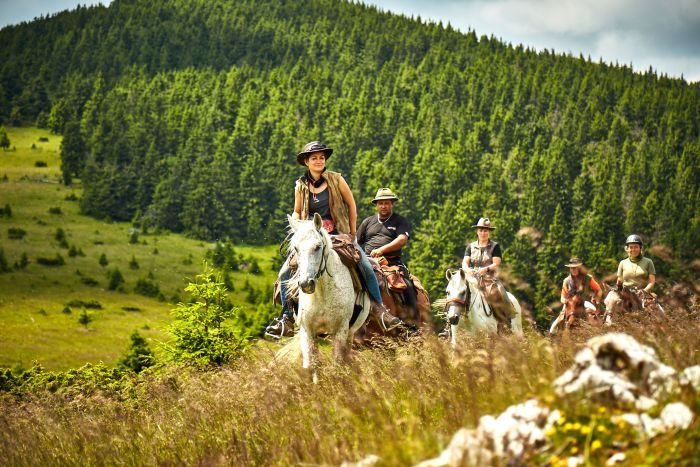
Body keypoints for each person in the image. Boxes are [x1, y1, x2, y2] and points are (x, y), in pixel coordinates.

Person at [265, 141, 402, 338]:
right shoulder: (300, 186)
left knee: (365, 264)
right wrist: (298, 224)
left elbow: (351, 204)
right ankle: (286, 317)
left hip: (340, 235)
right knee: (286, 270)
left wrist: (353, 231)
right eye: (314, 158)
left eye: (322, 157)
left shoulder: (337, 180)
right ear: (306, 162)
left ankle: (380, 310)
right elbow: (296, 211)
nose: (319, 161)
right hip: (312, 239)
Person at [357, 187, 417, 312]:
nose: (383, 206)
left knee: (408, 286)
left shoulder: (399, 221)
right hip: (368, 261)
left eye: (386, 203)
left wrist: (382, 250)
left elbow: (402, 239)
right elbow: (357, 241)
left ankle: (413, 324)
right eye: (381, 203)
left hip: (392, 262)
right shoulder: (367, 222)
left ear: (392, 204)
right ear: (376, 205)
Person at [461, 217, 513, 329]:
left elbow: (496, 263)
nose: (483, 233)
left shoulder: (495, 246)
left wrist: (485, 269)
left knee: (500, 293)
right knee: (456, 290)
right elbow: (465, 263)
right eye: (481, 230)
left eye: (485, 231)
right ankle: (451, 324)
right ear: (477, 231)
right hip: (472, 277)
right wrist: (468, 270)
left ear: (489, 232)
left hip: (489, 279)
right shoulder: (470, 246)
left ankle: (505, 321)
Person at [550, 257, 603, 332]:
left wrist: (596, 298)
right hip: (570, 304)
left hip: (585, 303)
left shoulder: (588, 278)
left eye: (575, 268)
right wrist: (567, 301)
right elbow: (562, 297)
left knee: (595, 315)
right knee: (554, 326)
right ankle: (552, 336)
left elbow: (598, 290)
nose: (573, 270)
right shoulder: (566, 281)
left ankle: (600, 331)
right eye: (571, 268)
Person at [614, 234, 660, 312]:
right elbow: (619, 281)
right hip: (626, 295)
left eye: (636, 247)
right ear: (627, 249)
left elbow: (652, 282)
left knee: (656, 312)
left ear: (640, 248)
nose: (633, 249)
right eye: (631, 247)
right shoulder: (622, 263)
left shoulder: (648, 262)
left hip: (643, 295)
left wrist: (644, 291)